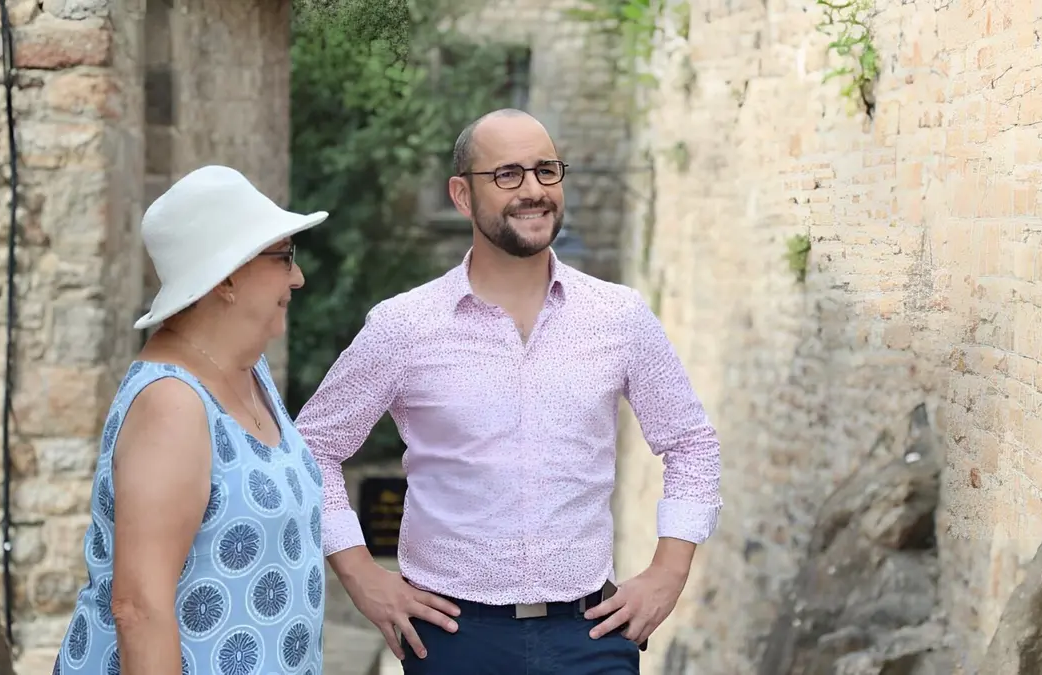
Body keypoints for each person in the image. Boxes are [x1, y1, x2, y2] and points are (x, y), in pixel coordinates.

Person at [294, 108, 723, 674]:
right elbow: (309, 450)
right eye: (508, 175)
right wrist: (359, 573)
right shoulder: (404, 326)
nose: (534, 190)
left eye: (547, 171)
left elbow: (691, 442)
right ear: (462, 195)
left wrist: (669, 572)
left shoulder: (619, 316)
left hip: (591, 635)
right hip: (451, 640)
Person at [53, 165, 329, 675]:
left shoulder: (252, 373)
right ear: (226, 278)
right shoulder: (172, 405)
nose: (298, 276)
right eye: (284, 256)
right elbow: (139, 608)